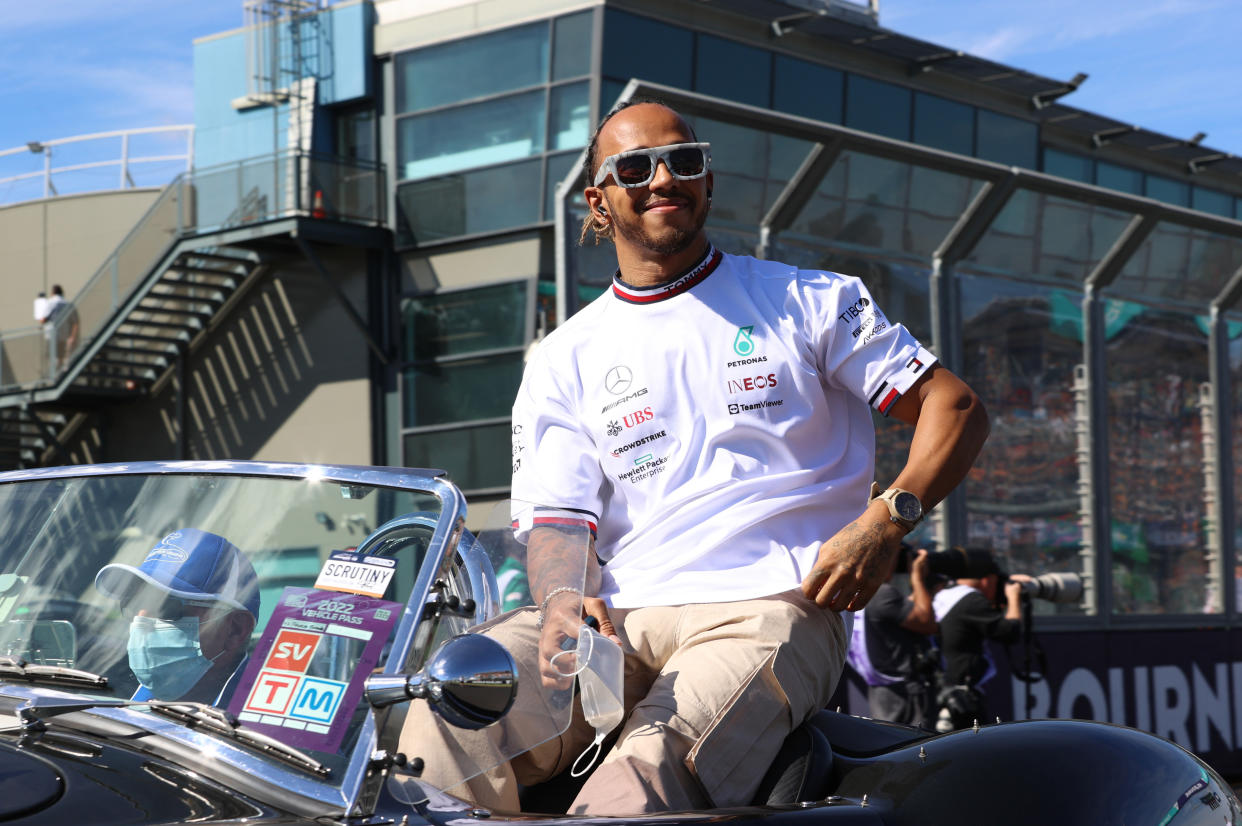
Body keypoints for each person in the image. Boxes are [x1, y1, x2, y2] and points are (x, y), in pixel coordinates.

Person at [402, 99, 989, 815]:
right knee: (444, 717)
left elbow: (952, 405)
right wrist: (561, 600)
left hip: (770, 606)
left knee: (638, 781)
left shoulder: (805, 299)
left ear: (707, 181)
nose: (664, 178)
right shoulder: (562, 357)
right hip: (617, 619)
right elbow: (559, 523)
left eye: (684, 160)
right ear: (599, 199)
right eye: (635, 167)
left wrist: (886, 520)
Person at [95, 528, 259, 705]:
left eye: (165, 607)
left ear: (235, 630)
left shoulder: (266, 726)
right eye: (133, 604)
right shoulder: (107, 693)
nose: (140, 621)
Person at [932, 549, 1030, 730]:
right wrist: (1014, 597)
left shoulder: (944, 595)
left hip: (941, 692)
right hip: (961, 699)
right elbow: (1009, 632)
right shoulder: (972, 601)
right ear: (987, 579)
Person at [848, 546, 940, 729]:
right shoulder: (882, 593)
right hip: (905, 692)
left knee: (889, 743)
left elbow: (901, 613)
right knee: (915, 748)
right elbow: (927, 622)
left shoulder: (857, 590)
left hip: (879, 688)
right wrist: (917, 578)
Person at [41, 284, 79, 370]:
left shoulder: (50, 302)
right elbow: (75, 322)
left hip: (51, 334)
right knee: (61, 356)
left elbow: (43, 319)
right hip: (63, 335)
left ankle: (53, 374)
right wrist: (72, 336)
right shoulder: (68, 304)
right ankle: (60, 372)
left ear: (53, 292)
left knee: (51, 356)